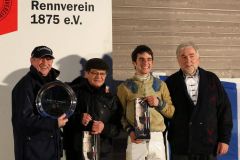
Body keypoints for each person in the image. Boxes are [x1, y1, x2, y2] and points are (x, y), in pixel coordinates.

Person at [165, 41, 233, 160]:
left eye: (191, 56)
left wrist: (224, 139)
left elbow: (224, 110)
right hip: (181, 147)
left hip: (208, 145)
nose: (188, 60)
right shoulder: (170, 83)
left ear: (198, 58)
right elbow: (164, 114)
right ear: (178, 60)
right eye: (183, 57)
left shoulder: (212, 79)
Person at [117, 45, 175, 160]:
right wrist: (130, 131)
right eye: (141, 59)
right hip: (135, 137)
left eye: (149, 59)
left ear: (152, 62)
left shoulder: (161, 85)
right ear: (134, 63)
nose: (145, 63)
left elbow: (171, 113)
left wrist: (159, 103)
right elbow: (120, 115)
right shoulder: (124, 87)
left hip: (157, 137)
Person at [12, 46, 68, 160]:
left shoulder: (56, 84)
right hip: (32, 152)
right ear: (32, 60)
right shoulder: (24, 86)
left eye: (48, 59)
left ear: (52, 61)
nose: (45, 62)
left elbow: (64, 106)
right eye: (40, 58)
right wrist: (53, 123)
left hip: (52, 149)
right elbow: (23, 119)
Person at [63, 58, 122, 160]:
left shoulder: (111, 99)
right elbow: (61, 118)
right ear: (87, 73)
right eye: (95, 73)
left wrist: (104, 128)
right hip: (76, 153)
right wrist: (78, 118)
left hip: (103, 153)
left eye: (102, 74)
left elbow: (118, 128)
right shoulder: (73, 93)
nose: (99, 77)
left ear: (106, 75)